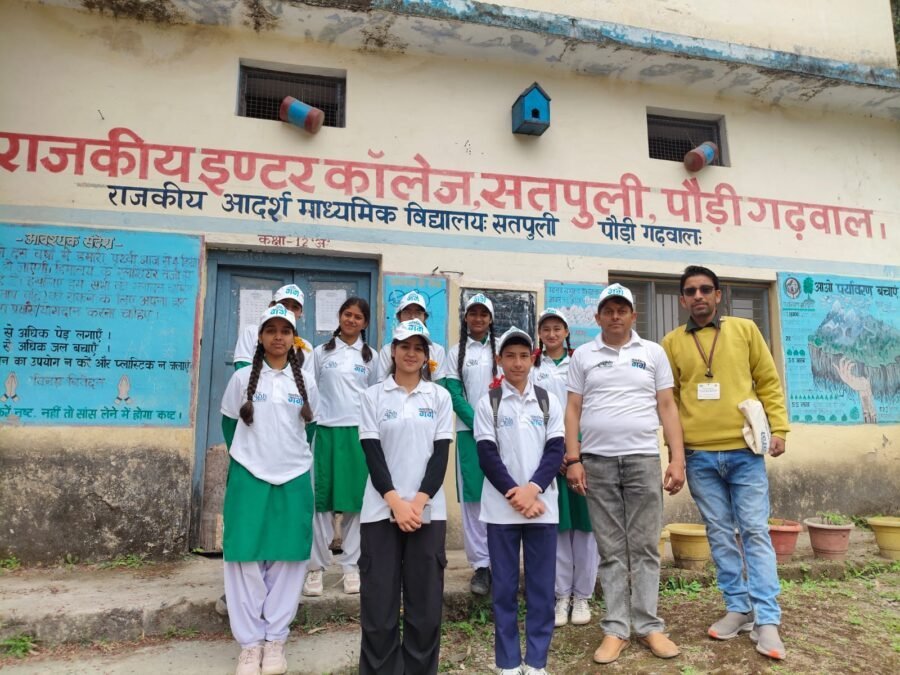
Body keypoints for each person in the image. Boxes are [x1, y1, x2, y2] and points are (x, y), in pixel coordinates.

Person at [661, 266, 790, 660]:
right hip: (699, 456)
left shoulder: (745, 330)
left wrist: (779, 427)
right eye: (690, 291)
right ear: (682, 300)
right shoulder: (671, 343)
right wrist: (676, 456)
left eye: (705, 289)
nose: (698, 296)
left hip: (744, 452)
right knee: (719, 534)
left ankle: (767, 619)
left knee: (754, 532)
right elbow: (669, 403)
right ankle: (739, 607)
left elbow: (767, 380)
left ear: (718, 295)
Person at [564, 283, 685, 665]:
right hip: (597, 462)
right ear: (598, 317)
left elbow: (667, 406)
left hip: (642, 460)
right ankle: (616, 628)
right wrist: (573, 458)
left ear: (634, 315)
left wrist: (677, 458)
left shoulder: (652, 353)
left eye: (622, 310)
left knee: (646, 546)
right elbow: (573, 409)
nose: (615, 316)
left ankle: (648, 626)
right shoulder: (583, 355)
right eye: (608, 310)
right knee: (611, 549)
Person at [220, 304, 318, 675]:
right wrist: (252, 458)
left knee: (289, 558)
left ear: (294, 338)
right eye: (271, 330)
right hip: (249, 477)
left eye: (285, 330)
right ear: (260, 337)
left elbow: (309, 430)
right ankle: (250, 645)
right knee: (244, 557)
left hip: (293, 477)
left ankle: (275, 640)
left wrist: (286, 458)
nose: (278, 337)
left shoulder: (306, 382)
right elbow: (229, 426)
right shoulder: (241, 379)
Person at [358, 319, 453, 675]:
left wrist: (418, 502)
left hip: (428, 512)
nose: (411, 354)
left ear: (426, 356)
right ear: (393, 351)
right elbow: (373, 454)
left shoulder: (439, 397)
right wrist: (396, 503)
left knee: (425, 608)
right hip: (380, 512)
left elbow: (440, 457)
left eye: (418, 348)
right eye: (404, 346)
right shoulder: (373, 396)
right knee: (379, 605)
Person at [475, 326, 565, 675]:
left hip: (542, 508)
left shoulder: (547, 400)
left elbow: (555, 450)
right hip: (502, 511)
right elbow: (487, 454)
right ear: (499, 360)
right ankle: (509, 662)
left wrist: (533, 490)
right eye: (510, 356)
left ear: (533, 359)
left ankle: (537, 661)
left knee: (542, 589)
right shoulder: (489, 402)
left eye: (524, 356)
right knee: (504, 589)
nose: (517, 363)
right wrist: (518, 494)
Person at [530, 309, 599, 628]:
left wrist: (576, 450)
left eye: (557, 328)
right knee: (557, 528)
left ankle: (582, 596)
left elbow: (589, 406)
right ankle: (561, 596)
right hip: (548, 457)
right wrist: (553, 452)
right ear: (540, 334)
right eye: (546, 329)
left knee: (585, 527)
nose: (552, 334)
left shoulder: (579, 362)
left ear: (567, 332)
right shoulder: (533, 366)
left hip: (581, 453)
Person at [304, 297, 377, 596]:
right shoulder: (321, 352)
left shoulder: (371, 356)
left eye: (358, 317)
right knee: (320, 503)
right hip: (326, 432)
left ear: (365, 322)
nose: (351, 320)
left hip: (357, 434)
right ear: (339, 316)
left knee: (356, 504)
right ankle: (315, 568)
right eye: (347, 314)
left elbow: (376, 396)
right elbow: (307, 389)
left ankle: (351, 567)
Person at [439, 293, 498, 595]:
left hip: (504, 432)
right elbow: (453, 392)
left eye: (483, 314)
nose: (478, 318)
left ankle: (501, 559)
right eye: (473, 313)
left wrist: (495, 424)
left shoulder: (502, 347)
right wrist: (479, 423)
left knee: (501, 493)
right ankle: (481, 566)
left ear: (491, 319)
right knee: (474, 498)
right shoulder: (455, 353)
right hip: (469, 433)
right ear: (466, 318)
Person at [233, 284, 313, 373]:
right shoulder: (251, 333)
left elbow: (307, 379)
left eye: (295, 307)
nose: (289, 310)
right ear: (271, 305)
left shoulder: (306, 347)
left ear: (300, 314)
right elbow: (242, 371)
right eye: (284, 304)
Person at [375, 291, 446, 383]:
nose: (412, 317)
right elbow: (382, 385)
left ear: (425, 317)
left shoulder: (437, 350)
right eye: (407, 312)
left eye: (418, 313)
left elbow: (439, 384)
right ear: (399, 316)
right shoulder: (386, 351)